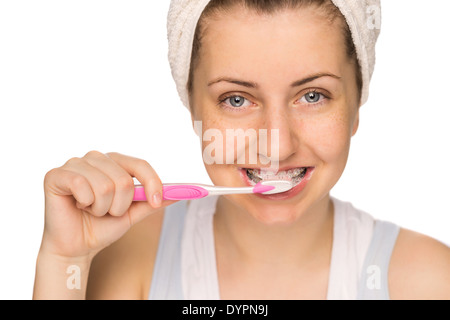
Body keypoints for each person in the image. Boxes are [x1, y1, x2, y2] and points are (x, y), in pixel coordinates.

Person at [33, 0, 450, 300]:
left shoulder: (431, 281)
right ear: (192, 106)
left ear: (356, 105)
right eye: (236, 99)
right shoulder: (128, 263)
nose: (278, 145)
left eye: (313, 96)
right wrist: (63, 259)